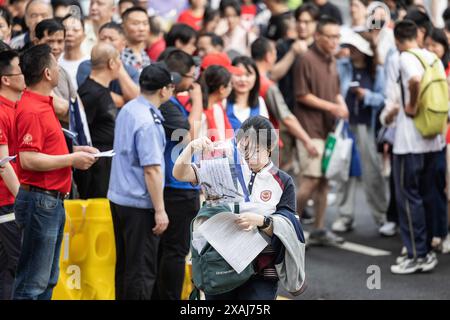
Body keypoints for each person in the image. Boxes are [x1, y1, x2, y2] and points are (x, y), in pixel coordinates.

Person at [172, 116, 306, 300]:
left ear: (270, 148)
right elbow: (180, 174)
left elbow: (289, 224)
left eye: (256, 150)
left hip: (261, 271)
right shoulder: (224, 166)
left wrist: (262, 221)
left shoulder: (282, 181)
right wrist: (190, 148)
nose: (249, 156)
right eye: (244, 149)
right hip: (219, 265)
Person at [13, 44, 97, 300]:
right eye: (56, 64)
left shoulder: (42, 104)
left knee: (47, 279)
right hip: (41, 200)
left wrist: (74, 150)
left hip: (51, 200)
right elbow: (27, 159)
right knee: (33, 282)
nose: (59, 68)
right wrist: (72, 158)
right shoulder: (31, 109)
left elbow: (46, 147)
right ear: (47, 74)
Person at [107, 63, 176, 300]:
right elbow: (152, 170)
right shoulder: (148, 122)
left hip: (119, 199)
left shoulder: (129, 109)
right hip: (139, 204)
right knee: (141, 272)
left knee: (125, 267)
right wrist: (160, 210)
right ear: (164, 90)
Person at [383, 20, 446, 274]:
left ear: (398, 40)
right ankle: (428, 250)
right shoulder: (433, 57)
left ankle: (417, 255)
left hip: (409, 142)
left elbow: (415, 81)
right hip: (433, 138)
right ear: (417, 36)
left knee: (408, 198)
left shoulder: (404, 58)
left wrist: (410, 107)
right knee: (427, 195)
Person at [152, 49, 203, 300]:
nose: (192, 83)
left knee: (169, 250)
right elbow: (189, 137)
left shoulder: (169, 104)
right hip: (177, 188)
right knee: (175, 250)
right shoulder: (169, 106)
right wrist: (199, 100)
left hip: (177, 186)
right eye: (189, 77)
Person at [293, 16, 348, 246]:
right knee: (311, 180)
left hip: (328, 129)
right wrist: (333, 106)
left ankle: (319, 228)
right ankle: (287, 224)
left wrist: (341, 104)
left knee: (324, 181)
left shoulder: (331, 60)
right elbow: (301, 94)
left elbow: (334, 91)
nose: (335, 41)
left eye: (337, 36)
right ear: (318, 36)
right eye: (331, 36)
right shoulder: (305, 58)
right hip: (310, 128)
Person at [332, 31, 388, 233]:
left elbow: (383, 98)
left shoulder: (376, 70)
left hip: (366, 125)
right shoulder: (342, 65)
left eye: (355, 48)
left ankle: (382, 216)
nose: (351, 50)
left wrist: (366, 96)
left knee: (372, 171)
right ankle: (345, 216)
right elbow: (335, 88)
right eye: (350, 47)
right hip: (345, 124)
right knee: (343, 170)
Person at [251, 37, 319, 159]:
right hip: (265, 144)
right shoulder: (267, 86)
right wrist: (307, 141)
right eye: (275, 54)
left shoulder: (244, 81)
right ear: (269, 56)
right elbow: (287, 118)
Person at [76, 43, 120, 199]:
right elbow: (79, 131)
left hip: (106, 165)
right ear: (112, 63)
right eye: (118, 59)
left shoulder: (102, 89)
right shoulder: (90, 93)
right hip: (95, 169)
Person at [0, 49, 24, 300]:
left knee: (9, 271)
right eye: (21, 70)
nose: (26, 75)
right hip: (8, 202)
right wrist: (23, 199)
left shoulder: (17, 107)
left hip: (12, 201)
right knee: (18, 269)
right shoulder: (1, 110)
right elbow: (3, 163)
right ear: (6, 79)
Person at [77, 22, 140, 108]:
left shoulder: (132, 71)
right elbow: (94, 95)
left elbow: (136, 98)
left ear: (123, 44)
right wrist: (126, 101)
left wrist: (117, 63)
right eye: (102, 39)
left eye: (111, 39)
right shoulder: (87, 66)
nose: (106, 42)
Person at [226, 56, 269, 131]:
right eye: (238, 75)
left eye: (248, 75)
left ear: (256, 77)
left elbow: (265, 137)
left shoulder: (260, 102)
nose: (243, 79)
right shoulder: (223, 103)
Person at [198, 63, 234, 141]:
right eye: (230, 85)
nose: (231, 88)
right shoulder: (201, 114)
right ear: (222, 89)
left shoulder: (218, 107)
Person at [59, 15, 89, 91]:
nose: (69, 33)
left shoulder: (90, 62)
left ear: (84, 35)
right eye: (66, 29)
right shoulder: (54, 61)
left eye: (75, 30)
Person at [121, 7, 151, 72]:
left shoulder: (145, 56)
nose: (141, 29)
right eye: (135, 23)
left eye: (145, 23)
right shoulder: (119, 55)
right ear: (123, 26)